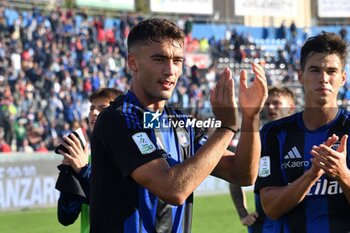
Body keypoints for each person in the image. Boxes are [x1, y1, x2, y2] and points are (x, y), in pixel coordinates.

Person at [90, 18, 268, 233]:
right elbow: (173, 189)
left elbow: (243, 174)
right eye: (159, 59)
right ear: (133, 62)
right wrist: (227, 128)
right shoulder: (117, 119)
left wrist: (250, 118)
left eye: (177, 60)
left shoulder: (181, 123)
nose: (170, 70)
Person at [255, 31, 350, 233]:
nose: (323, 78)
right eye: (315, 70)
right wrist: (312, 175)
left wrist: (343, 174)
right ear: (300, 76)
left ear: (342, 78)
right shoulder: (274, 133)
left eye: (332, 71)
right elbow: (271, 208)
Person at [55, 88, 122, 233]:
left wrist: (83, 170)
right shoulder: (86, 158)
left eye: (102, 108)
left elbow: (113, 207)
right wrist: (69, 172)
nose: (94, 113)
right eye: (92, 108)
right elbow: (66, 216)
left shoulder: (127, 156)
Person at [229, 86, 295, 232]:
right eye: (267, 103)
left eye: (276, 103)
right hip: (266, 226)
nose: (271, 107)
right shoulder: (256, 141)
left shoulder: (303, 139)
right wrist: (243, 214)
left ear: (291, 107)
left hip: (299, 221)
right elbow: (235, 175)